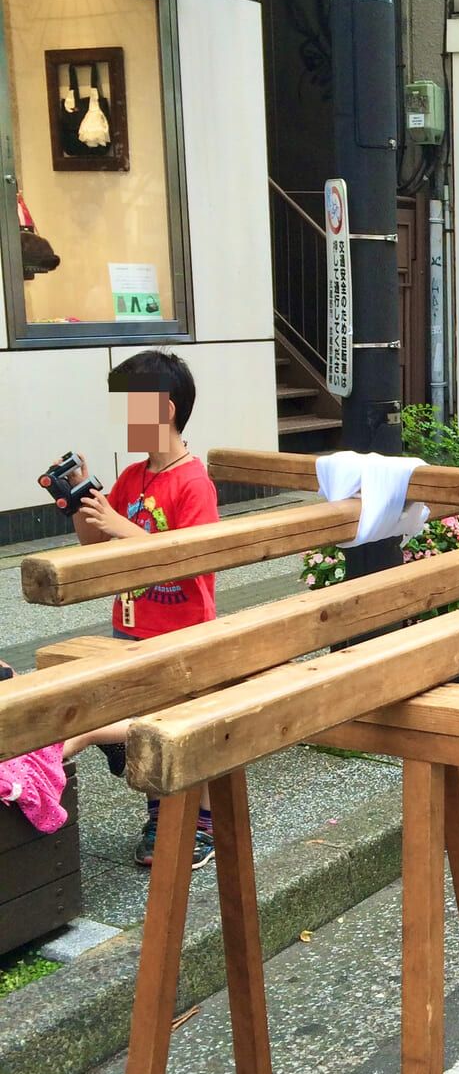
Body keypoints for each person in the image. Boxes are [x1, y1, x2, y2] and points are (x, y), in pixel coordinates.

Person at [64, 350, 219, 870]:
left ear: (165, 410)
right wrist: (82, 506)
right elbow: (96, 545)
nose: (122, 418)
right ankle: (161, 814)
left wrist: (117, 522)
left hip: (181, 631)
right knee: (149, 732)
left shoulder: (193, 482)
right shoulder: (132, 477)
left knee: (174, 728)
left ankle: (198, 826)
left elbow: (187, 562)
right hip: (130, 625)